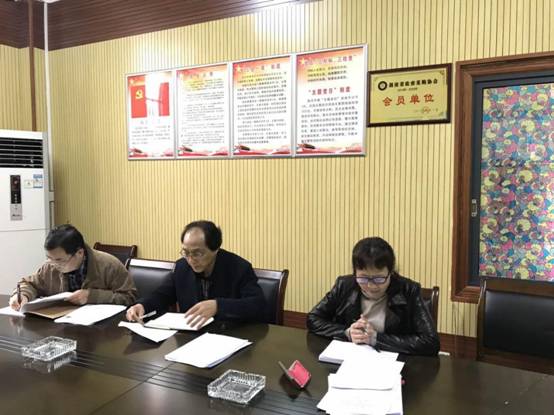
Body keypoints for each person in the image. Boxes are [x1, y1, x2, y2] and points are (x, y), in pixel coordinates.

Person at [307, 237, 440, 356]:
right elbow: (313, 318)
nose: (371, 286)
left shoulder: (409, 290)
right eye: (363, 278)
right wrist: (346, 332)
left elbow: (431, 342)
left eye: (378, 279)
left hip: (394, 362)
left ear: (391, 272)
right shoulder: (344, 285)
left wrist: (376, 338)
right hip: (351, 358)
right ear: (355, 273)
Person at [126, 220, 266, 327]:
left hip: (230, 336)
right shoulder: (182, 267)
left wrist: (218, 306)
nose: (191, 260)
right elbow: (163, 294)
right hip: (191, 337)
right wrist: (142, 305)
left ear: (215, 248)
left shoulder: (239, 268)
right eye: (186, 252)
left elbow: (257, 305)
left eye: (197, 253)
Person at [9, 224, 137, 310]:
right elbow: (29, 284)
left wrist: (91, 296)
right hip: (60, 327)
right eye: (49, 258)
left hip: (100, 331)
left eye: (59, 260)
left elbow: (129, 297)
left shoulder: (109, 265)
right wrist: (23, 295)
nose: (53, 264)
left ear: (79, 253)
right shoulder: (50, 266)